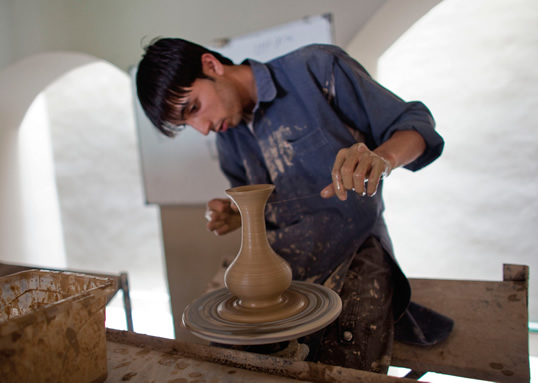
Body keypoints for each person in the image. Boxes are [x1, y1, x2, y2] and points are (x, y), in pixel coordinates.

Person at [136, 38, 453, 373]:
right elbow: (259, 200)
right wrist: (237, 215)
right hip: (281, 261)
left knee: (340, 365)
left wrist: (382, 158)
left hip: (356, 247)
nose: (202, 130)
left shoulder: (316, 70)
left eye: (193, 108)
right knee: (228, 363)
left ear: (211, 66)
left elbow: (416, 123)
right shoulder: (229, 135)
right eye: (187, 125)